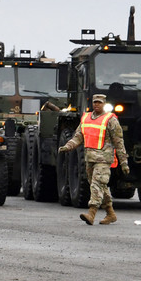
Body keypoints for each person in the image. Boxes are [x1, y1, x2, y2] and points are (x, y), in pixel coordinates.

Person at [58, 93, 129, 225]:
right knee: (99, 186)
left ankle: (92, 213)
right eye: (95, 102)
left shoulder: (110, 120)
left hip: (104, 159)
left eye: (99, 102)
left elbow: (119, 143)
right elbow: (78, 136)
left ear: (104, 103)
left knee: (97, 184)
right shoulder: (86, 118)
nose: (97, 104)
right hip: (90, 158)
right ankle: (110, 213)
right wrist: (68, 146)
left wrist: (124, 162)